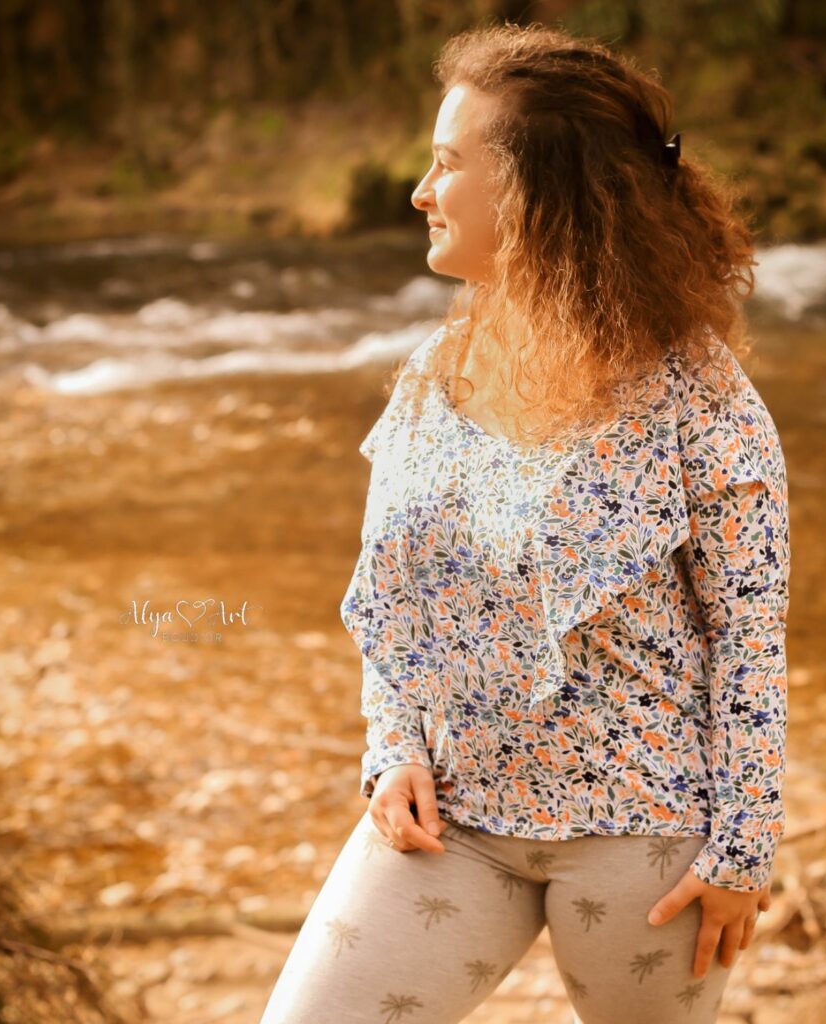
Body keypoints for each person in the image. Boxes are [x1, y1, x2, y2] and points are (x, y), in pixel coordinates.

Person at [259, 21, 788, 1024]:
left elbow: (748, 639)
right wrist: (392, 749)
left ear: (539, 193)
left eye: (449, 162)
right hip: (449, 821)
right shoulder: (431, 378)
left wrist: (742, 851)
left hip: (646, 841)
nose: (419, 190)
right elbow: (395, 604)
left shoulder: (700, 401)